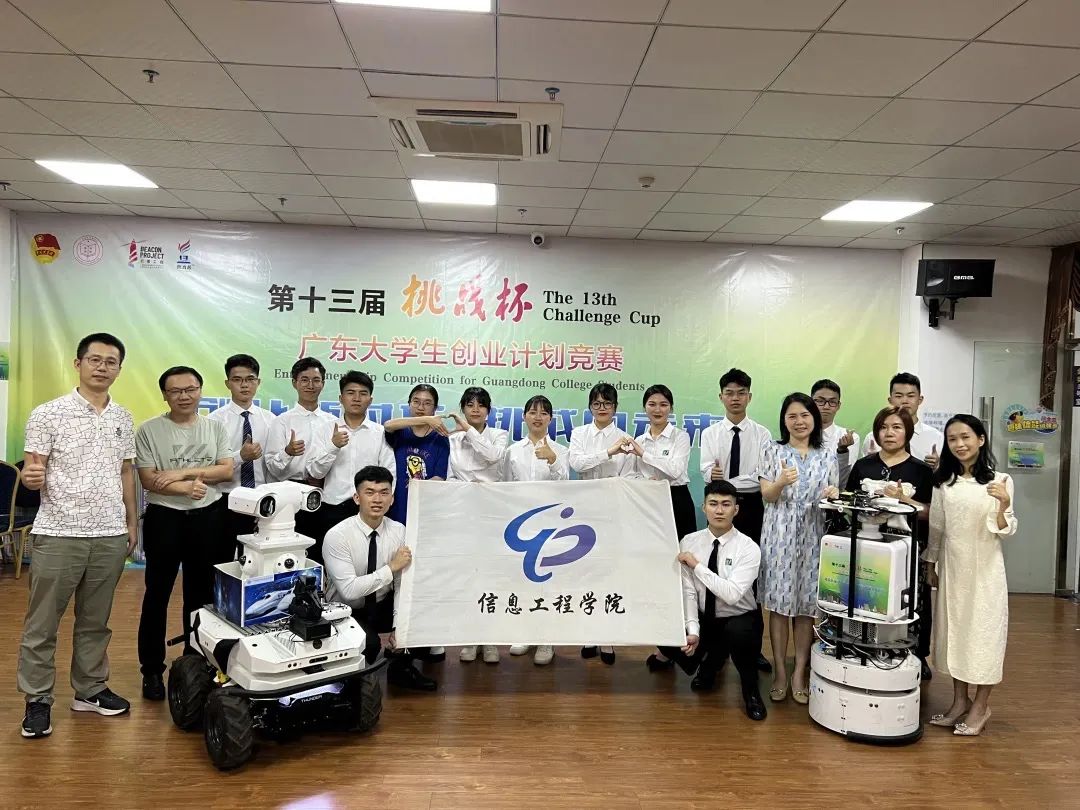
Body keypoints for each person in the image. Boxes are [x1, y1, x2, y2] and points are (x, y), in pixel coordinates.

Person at [17, 333, 138, 738]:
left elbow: (125, 471)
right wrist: (31, 478)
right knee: (42, 623)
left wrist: (131, 523)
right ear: (78, 363)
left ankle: (89, 690)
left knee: (95, 621)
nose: (102, 367)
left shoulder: (123, 417)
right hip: (58, 532)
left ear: (119, 369)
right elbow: (33, 470)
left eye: (111, 361)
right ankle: (37, 700)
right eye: (95, 359)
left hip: (109, 534)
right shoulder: (48, 413)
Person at [135, 366, 234, 701]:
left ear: (200, 391)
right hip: (165, 518)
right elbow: (149, 479)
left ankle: (195, 665)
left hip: (209, 518)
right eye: (175, 391)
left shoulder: (214, 427)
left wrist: (181, 475)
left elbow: (225, 470)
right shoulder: (149, 430)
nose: (184, 396)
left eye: (190, 389)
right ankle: (151, 670)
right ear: (165, 395)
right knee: (157, 594)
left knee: (201, 596)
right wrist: (187, 489)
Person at [924, 414, 1016, 736]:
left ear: (981, 439)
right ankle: (959, 701)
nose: (959, 444)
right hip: (952, 569)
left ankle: (981, 705)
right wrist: (931, 564)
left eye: (965, 437)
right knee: (956, 634)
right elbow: (937, 528)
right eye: (952, 439)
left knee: (984, 636)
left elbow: (1005, 530)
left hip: (986, 572)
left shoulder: (1000, 480)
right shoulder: (944, 482)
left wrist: (1003, 504)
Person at [646, 481, 766, 722]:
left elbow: (731, 594)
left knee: (739, 635)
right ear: (704, 508)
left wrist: (697, 566)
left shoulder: (748, 548)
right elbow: (688, 591)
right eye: (713, 504)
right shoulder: (689, 542)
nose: (719, 510)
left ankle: (751, 692)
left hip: (739, 616)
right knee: (663, 622)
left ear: (736, 509)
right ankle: (711, 661)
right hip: (705, 617)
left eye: (726, 504)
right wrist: (693, 630)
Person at [322, 466, 437, 691]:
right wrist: (390, 568)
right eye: (370, 492)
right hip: (347, 609)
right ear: (357, 498)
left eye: (384, 493)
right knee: (370, 644)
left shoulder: (399, 531)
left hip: (382, 603)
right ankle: (352, 681)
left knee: (422, 618)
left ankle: (401, 670)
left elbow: (403, 583)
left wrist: (399, 626)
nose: (377, 499)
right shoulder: (337, 536)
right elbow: (349, 591)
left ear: (392, 499)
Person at [758, 393, 839, 706]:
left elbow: (834, 497)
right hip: (779, 532)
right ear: (784, 420)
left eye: (805, 415)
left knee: (806, 608)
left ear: (814, 419)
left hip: (814, 533)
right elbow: (767, 494)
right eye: (792, 416)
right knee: (779, 607)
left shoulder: (827, 454)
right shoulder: (772, 449)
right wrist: (780, 482)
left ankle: (799, 674)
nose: (799, 421)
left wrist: (833, 494)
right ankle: (780, 672)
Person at [847, 406, 934, 679]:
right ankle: (862, 646)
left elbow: (931, 512)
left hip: (908, 548)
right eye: (883, 427)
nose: (889, 433)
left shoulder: (921, 470)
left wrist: (904, 500)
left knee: (912, 599)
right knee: (868, 596)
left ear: (908, 432)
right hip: (868, 545)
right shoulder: (863, 466)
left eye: (896, 427)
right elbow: (850, 501)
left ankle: (918, 653)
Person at [697, 368, 773, 673]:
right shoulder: (710, 433)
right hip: (719, 506)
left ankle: (753, 649)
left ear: (749, 397)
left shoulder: (762, 434)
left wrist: (726, 479)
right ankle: (714, 648)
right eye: (729, 393)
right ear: (721, 397)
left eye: (741, 393)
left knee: (751, 577)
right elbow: (705, 471)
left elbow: (760, 477)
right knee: (716, 570)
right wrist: (717, 477)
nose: (735, 398)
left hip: (751, 506)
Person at [568, 382, 640, 665]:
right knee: (586, 570)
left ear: (615, 408)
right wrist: (608, 452)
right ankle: (590, 633)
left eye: (607, 404)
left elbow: (630, 476)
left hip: (613, 511)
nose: (602, 408)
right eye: (597, 404)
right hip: (584, 508)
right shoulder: (580, 433)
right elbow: (577, 464)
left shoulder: (626, 438)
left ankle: (608, 636)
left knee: (610, 571)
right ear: (590, 407)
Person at [383, 383, 454, 661]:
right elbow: (388, 425)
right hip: (396, 514)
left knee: (424, 576)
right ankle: (399, 634)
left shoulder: (440, 439)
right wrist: (422, 420)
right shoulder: (402, 432)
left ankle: (427, 635)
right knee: (398, 575)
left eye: (427, 403)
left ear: (435, 407)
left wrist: (422, 486)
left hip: (425, 516)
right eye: (416, 401)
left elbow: (439, 477)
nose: (421, 406)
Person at [305, 371, 396, 562]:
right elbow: (314, 471)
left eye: (363, 393)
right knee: (330, 563)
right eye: (350, 393)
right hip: (333, 507)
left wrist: (381, 502)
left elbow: (389, 473)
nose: (356, 398)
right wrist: (333, 446)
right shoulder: (325, 430)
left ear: (370, 400)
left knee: (367, 561)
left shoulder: (380, 433)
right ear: (341, 398)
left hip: (368, 509)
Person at [448, 387, 510, 665]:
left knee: (492, 574)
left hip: (492, 512)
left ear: (488, 411)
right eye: (470, 404)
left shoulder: (499, 435)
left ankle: (490, 637)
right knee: (467, 574)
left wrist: (468, 431)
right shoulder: (452, 438)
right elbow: (451, 474)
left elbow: (493, 456)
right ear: (463, 408)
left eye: (481, 405)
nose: (475, 409)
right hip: (463, 511)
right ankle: (471, 636)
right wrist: (462, 489)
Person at [505, 394, 568, 666]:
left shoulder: (561, 450)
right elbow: (505, 487)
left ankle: (546, 639)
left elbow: (565, 485)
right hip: (520, 524)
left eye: (543, 413)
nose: (537, 417)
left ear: (551, 419)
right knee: (522, 579)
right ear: (524, 417)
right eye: (532, 412)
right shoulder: (512, 451)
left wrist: (553, 460)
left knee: (547, 581)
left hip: (549, 524)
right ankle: (525, 633)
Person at [208, 354, 274, 558]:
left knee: (258, 560)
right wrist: (240, 456)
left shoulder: (271, 420)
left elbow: (273, 464)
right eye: (237, 379)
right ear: (227, 383)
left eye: (250, 379)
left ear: (258, 382)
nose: (244, 385)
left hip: (261, 498)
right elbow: (209, 465)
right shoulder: (214, 421)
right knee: (222, 558)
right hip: (225, 499)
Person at [264, 357, 336, 544]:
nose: (310, 385)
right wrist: (287, 452)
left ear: (323, 383)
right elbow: (271, 466)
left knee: (319, 548)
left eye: (316, 380)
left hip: (323, 495)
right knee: (287, 548)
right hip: (289, 495)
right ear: (294, 383)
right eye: (304, 380)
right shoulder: (282, 421)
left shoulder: (332, 422)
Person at [633, 384, 695, 539]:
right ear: (644, 408)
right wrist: (646, 481)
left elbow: (675, 471)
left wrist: (644, 454)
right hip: (647, 498)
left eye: (663, 404)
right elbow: (634, 474)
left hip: (676, 497)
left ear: (671, 408)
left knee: (681, 546)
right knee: (650, 545)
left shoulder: (681, 437)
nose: (657, 410)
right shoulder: (639, 440)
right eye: (652, 404)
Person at [862, 372, 943, 468]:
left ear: (920, 400)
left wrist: (937, 467)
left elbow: (946, 474)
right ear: (890, 400)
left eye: (910, 396)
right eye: (899, 396)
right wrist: (871, 463)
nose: (905, 401)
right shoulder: (873, 438)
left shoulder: (935, 437)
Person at [811, 379, 859, 490]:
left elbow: (844, 480)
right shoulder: (801, 434)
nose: (826, 406)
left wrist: (843, 451)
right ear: (811, 403)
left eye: (832, 402)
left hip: (834, 496)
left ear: (838, 405)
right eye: (820, 401)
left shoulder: (849, 438)